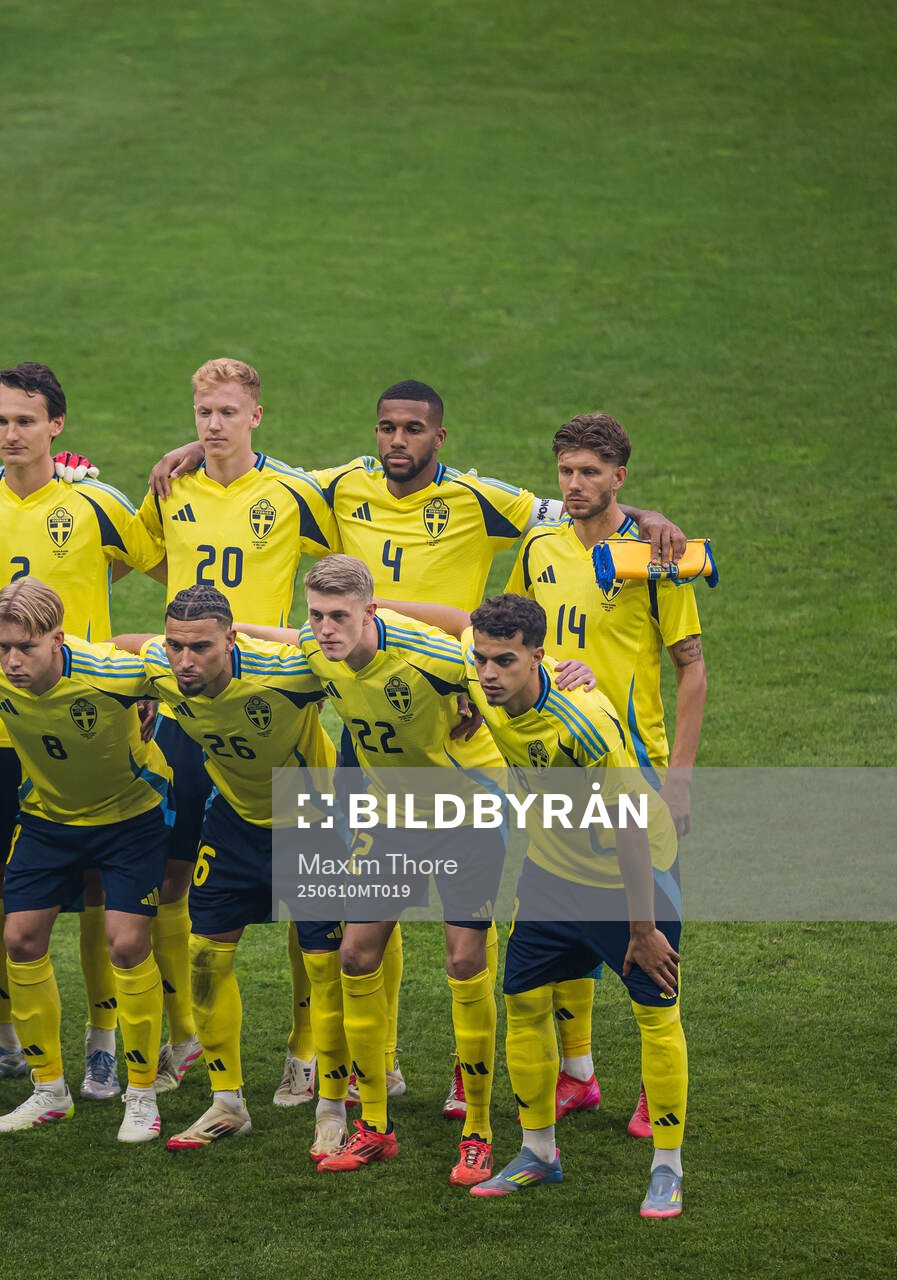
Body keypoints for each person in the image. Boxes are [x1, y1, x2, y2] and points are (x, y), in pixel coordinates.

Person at [151, 378, 684, 1127]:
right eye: (386, 428)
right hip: (366, 717)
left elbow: (577, 502)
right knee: (362, 917)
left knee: (558, 891)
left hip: (462, 714)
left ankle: (570, 1069)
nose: (396, 440)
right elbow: (254, 479)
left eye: (412, 429)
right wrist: (204, 446)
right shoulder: (339, 487)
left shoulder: (478, 498)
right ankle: (381, 1066)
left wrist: (647, 518)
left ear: (438, 436)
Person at [236, 555, 520, 1181]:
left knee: (463, 960)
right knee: (357, 954)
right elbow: (288, 642)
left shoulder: (429, 655)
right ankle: (374, 1126)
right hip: (392, 816)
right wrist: (238, 632)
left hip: (468, 810)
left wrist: (561, 675)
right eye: (316, 615)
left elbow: (503, 661)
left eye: (340, 616)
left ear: (372, 613)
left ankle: (477, 1131)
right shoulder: (318, 649)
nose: (326, 628)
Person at [0, 362, 166, 1100]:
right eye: (0, 419)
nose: (11, 433)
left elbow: (148, 559)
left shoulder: (96, 502)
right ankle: (6, 1040)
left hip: (89, 722)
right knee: (4, 889)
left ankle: (102, 1043)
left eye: (25, 420)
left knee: (99, 885)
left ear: (56, 425)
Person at [133, 358, 339, 1108]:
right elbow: (153, 564)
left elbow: (351, 567)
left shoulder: (292, 492)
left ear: (257, 414)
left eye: (227, 412)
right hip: (192, 705)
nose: (213, 425)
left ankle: (307, 1045)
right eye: (202, 414)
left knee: (305, 889)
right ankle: (184, 1033)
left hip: (277, 701)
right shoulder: (170, 487)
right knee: (171, 874)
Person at [509, 412, 707, 1140]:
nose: (575, 484)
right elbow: (513, 632)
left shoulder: (657, 556)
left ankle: (659, 1086)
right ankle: (580, 1075)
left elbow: (691, 668)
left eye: (591, 472)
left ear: (620, 476)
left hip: (638, 765)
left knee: (651, 919)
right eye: (566, 471)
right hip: (557, 761)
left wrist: (679, 780)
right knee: (565, 914)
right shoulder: (539, 546)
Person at [460, 593, 687, 1218]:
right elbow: (438, 625)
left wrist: (641, 930)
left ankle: (667, 1167)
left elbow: (633, 822)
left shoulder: (583, 721)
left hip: (632, 877)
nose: (487, 675)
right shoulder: (483, 677)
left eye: (503, 661)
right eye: (480, 660)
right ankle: (538, 1152)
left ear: (537, 656)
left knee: (656, 1014)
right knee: (524, 1002)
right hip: (551, 874)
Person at [0, 579, 175, 1141]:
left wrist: (156, 690)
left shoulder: (112, 673)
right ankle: (49, 1091)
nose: (12, 661)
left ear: (58, 640)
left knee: (128, 943)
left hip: (130, 816)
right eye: (3, 646)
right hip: (48, 818)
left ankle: (140, 1095)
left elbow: (163, 652)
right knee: (20, 939)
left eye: (26, 648)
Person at [111, 586, 348, 1157]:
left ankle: (332, 1107)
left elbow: (355, 649)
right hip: (235, 821)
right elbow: (118, 645)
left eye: (201, 648)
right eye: (174, 647)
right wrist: (136, 697)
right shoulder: (160, 669)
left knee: (325, 966)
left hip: (313, 820)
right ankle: (227, 1102)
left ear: (232, 641)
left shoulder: (288, 671)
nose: (185, 662)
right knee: (204, 957)